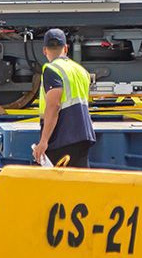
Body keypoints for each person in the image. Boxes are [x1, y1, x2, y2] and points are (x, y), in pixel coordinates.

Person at [31, 28, 97, 168]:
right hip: (83, 135)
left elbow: (54, 105)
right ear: (66, 48)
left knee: (55, 180)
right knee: (78, 179)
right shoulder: (81, 71)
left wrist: (44, 141)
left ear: (44, 50)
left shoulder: (52, 69)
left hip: (62, 136)